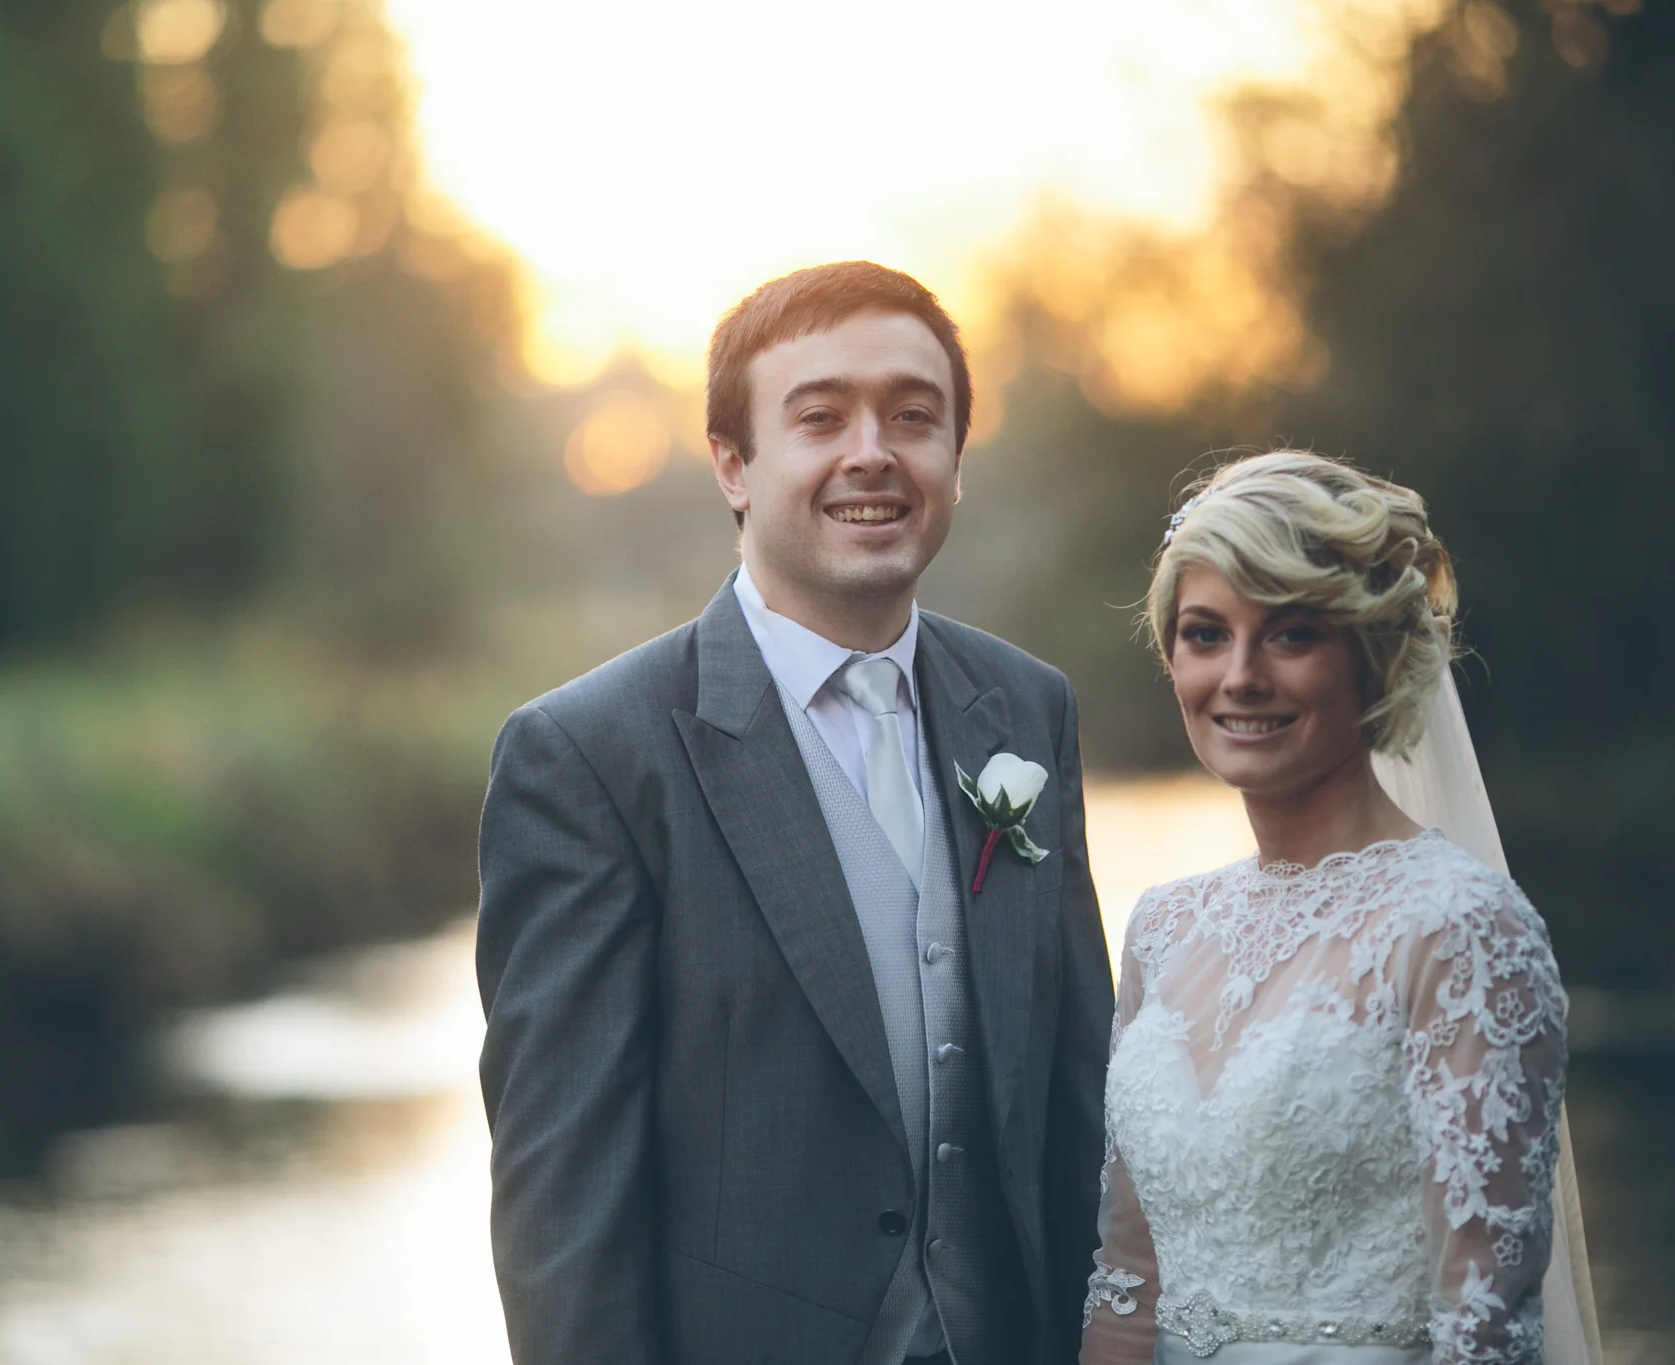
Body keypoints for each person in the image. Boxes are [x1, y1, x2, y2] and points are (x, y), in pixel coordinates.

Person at [476, 261, 1115, 1365]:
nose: (871, 452)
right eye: (819, 418)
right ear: (732, 464)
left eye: (913, 417)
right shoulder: (587, 755)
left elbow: (1077, 1108)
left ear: (955, 459)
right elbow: (563, 1210)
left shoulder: (1025, 709)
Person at [1080, 451, 1596, 1365]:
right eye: (1206, 634)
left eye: (1290, 634)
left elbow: (1484, 1332)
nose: (1239, 675)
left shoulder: (1461, 925)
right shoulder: (1164, 926)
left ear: (1372, 655)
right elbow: (1127, 1284)